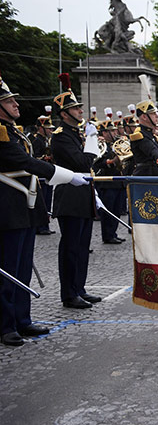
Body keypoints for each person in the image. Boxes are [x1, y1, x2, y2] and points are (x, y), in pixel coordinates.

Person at [0, 73, 90, 345]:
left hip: (24, 206)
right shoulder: (1, 132)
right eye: (9, 101)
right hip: (8, 207)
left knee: (23, 266)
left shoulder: (12, 131)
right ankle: (6, 326)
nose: (16, 104)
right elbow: (23, 161)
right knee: (9, 268)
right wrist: (66, 175)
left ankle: (22, 320)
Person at [50, 73, 103, 309]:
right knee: (70, 247)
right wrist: (92, 141)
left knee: (82, 247)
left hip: (83, 196)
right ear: (64, 114)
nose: (81, 112)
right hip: (69, 198)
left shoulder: (74, 134)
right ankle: (68, 294)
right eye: (75, 109)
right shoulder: (61, 137)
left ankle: (79, 288)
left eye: (80, 108)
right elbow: (83, 163)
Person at [29, 107, 56, 235]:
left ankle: (45, 224)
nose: (50, 130)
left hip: (47, 174)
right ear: (40, 128)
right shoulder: (36, 140)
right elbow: (33, 157)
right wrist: (45, 158)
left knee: (47, 200)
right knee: (42, 201)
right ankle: (41, 226)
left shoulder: (46, 140)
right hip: (39, 175)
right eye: (48, 128)